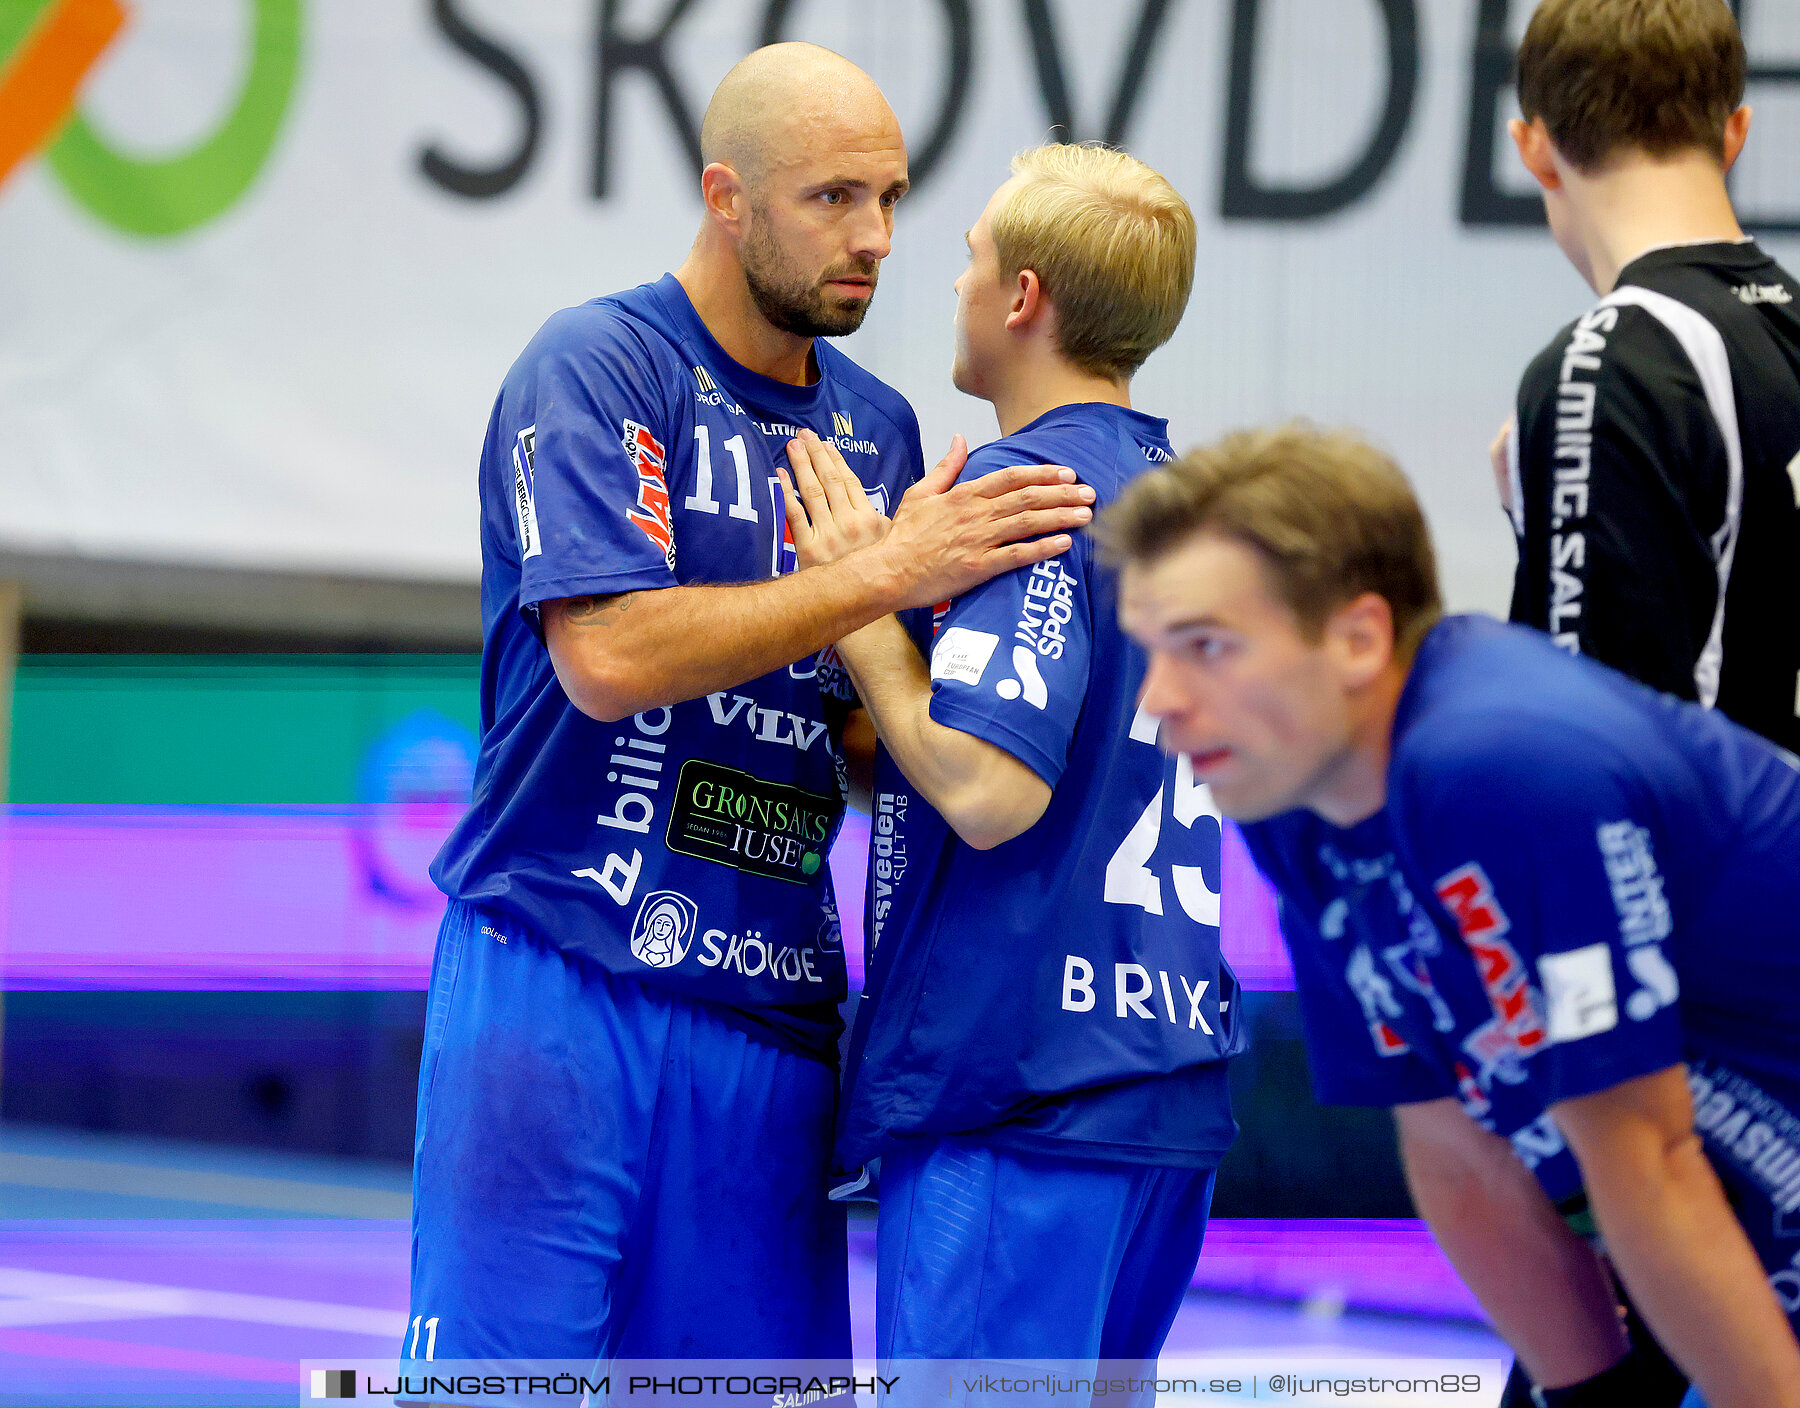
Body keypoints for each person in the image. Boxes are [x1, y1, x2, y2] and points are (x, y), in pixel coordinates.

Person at [405, 44, 1096, 1370]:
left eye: (891, 199)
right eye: (833, 199)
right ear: (727, 197)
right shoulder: (601, 363)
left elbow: (853, 715)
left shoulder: (883, 433)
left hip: (771, 1021)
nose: (877, 238)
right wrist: (892, 572)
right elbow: (604, 656)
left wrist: (998, 691)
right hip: (560, 968)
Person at [1100, 423, 1800, 1408]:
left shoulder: (1506, 764)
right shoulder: (1295, 802)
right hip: (1710, 1196)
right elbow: (1452, 1151)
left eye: (1207, 647)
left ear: (1357, 637)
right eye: (1152, 651)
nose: (1162, 699)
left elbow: (1646, 1157)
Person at [777, 144, 1242, 1368]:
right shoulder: (1193, 505)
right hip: (1165, 1089)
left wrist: (861, 602)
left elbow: (989, 789)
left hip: (1027, 1093)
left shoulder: (1025, 488)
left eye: (974, 257)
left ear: (1023, 297)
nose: (954, 281)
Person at [1496, 0, 1800, 754]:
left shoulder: (1610, 362)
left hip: (1710, 866)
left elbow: (1595, 751)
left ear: (1534, 148)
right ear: (1735, 134)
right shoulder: (1781, 329)